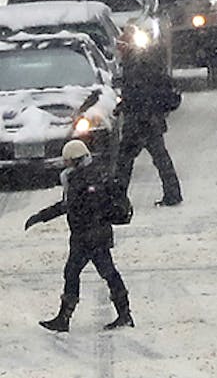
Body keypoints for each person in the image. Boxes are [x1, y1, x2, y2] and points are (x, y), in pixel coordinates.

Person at [25, 139, 134, 332]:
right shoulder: (91, 174)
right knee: (107, 273)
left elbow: (74, 206)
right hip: (95, 235)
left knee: (75, 272)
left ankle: (64, 318)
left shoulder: (81, 179)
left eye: (67, 160)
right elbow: (71, 206)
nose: (64, 164)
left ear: (75, 160)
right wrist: (42, 216)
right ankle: (123, 314)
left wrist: (42, 217)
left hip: (88, 237)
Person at [112, 63, 183, 207]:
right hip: (152, 124)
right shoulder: (156, 75)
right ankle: (173, 194)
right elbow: (170, 98)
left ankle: (118, 198)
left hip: (136, 126)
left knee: (124, 163)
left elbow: (129, 99)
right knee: (161, 160)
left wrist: (122, 108)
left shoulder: (132, 74)